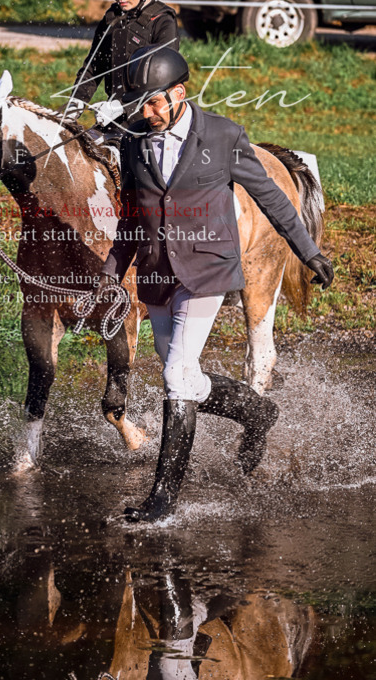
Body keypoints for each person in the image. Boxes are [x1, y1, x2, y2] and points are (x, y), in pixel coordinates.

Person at [95, 45, 334, 523]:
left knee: (175, 374)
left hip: (207, 269)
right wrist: (108, 274)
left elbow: (270, 196)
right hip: (158, 272)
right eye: (140, 104)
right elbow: (130, 218)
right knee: (185, 375)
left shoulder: (223, 136)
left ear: (179, 93)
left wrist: (308, 252)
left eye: (154, 103)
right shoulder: (134, 142)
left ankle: (163, 501)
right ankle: (257, 413)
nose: (147, 113)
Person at [63, 0, 179, 129]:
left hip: (150, 121)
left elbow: (164, 82)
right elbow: (93, 68)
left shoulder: (163, 22)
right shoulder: (111, 19)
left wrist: (123, 107)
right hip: (114, 120)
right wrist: (76, 102)